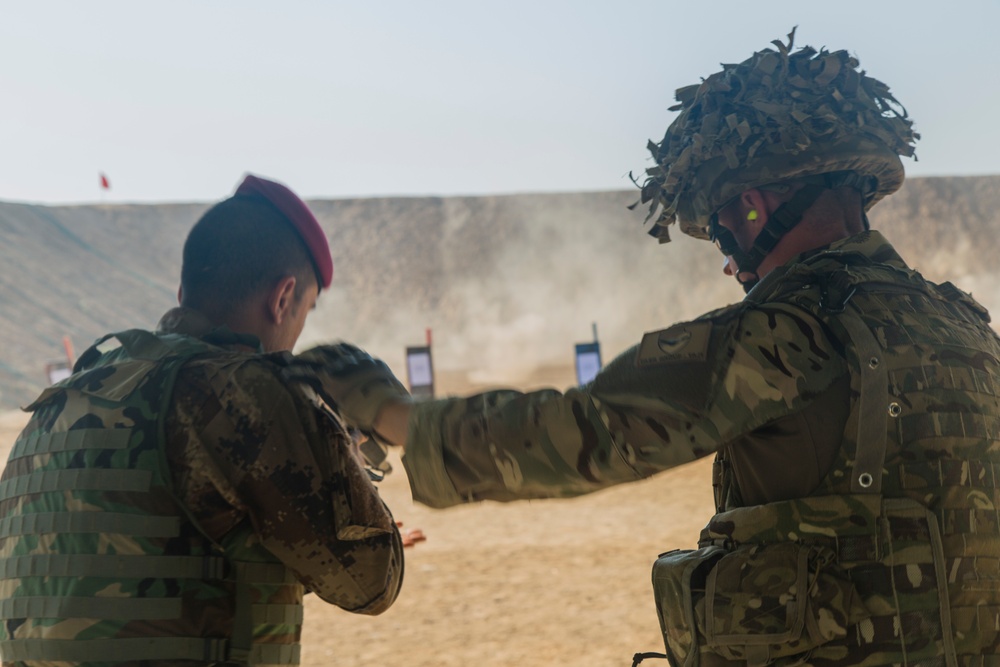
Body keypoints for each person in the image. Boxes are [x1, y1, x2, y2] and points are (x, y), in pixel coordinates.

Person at [305, 30, 1000, 666]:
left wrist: (390, 410)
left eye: (726, 231)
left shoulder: (792, 330)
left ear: (755, 206)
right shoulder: (968, 327)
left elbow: (585, 432)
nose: (730, 264)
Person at [0, 175, 405, 666]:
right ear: (283, 297)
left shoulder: (62, 401)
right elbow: (369, 581)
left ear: (182, 290)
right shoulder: (246, 392)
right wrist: (340, 451)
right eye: (306, 310)